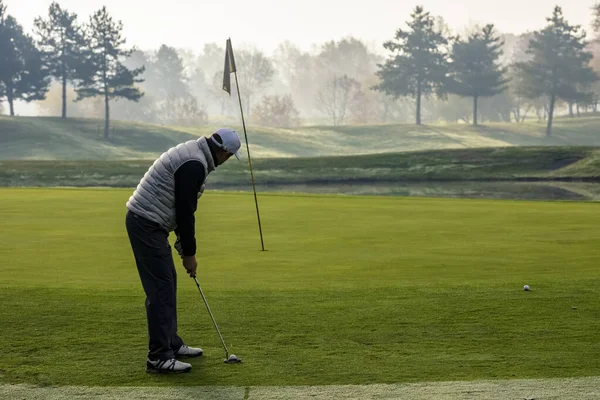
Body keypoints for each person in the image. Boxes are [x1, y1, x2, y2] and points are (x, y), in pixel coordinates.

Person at [125, 128, 241, 373]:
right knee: (161, 288)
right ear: (222, 152)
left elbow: (180, 208)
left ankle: (171, 343)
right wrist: (189, 253)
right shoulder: (194, 164)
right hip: (146, 223)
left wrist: (182, 247)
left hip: (150, 222)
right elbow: (185, 212)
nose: (226, 161)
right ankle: (158, 356)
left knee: (167, 283)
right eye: (228, 156)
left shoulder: (195, 155)